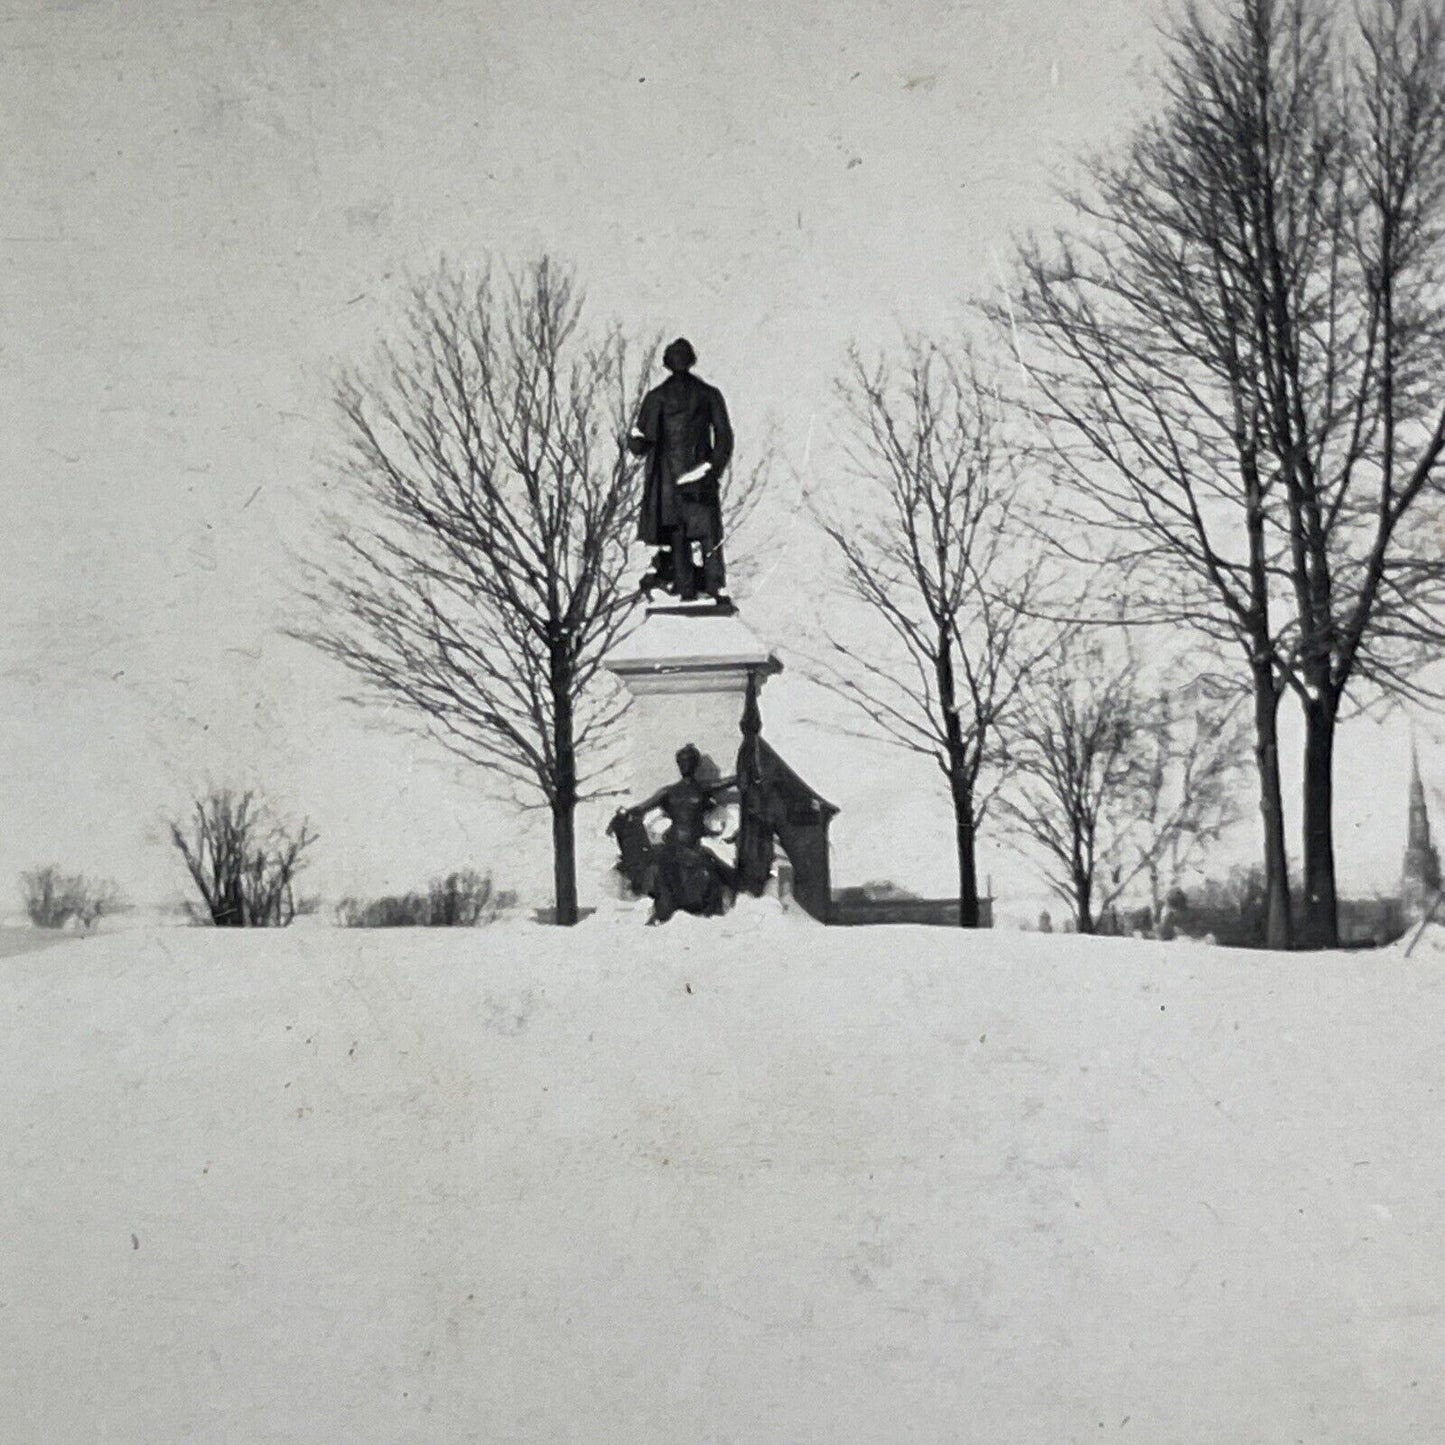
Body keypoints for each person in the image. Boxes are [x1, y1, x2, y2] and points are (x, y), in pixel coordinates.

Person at [628, 337, 733, 603]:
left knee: (682, 537)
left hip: (672, 481)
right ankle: (712, 586)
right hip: (696, 477)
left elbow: (639, 443)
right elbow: (724, 438)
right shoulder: (707, 394)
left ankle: (691, 589)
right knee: (705, 536)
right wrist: (712, 470)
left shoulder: (658, 398)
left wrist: (635, 438)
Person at [626, 744, 736, 920]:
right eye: (682, 762)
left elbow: (726, 782)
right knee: (662, 871)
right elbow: (643, 807)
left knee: (713, 871)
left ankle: (711, 907)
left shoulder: (702, 788)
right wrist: (626, 814)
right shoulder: (668, 792)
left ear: (696, 765)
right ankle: (663, 908)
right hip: (674, 842)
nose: (686, 765)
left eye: (690, 762)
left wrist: (745, 775)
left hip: (695, 842)